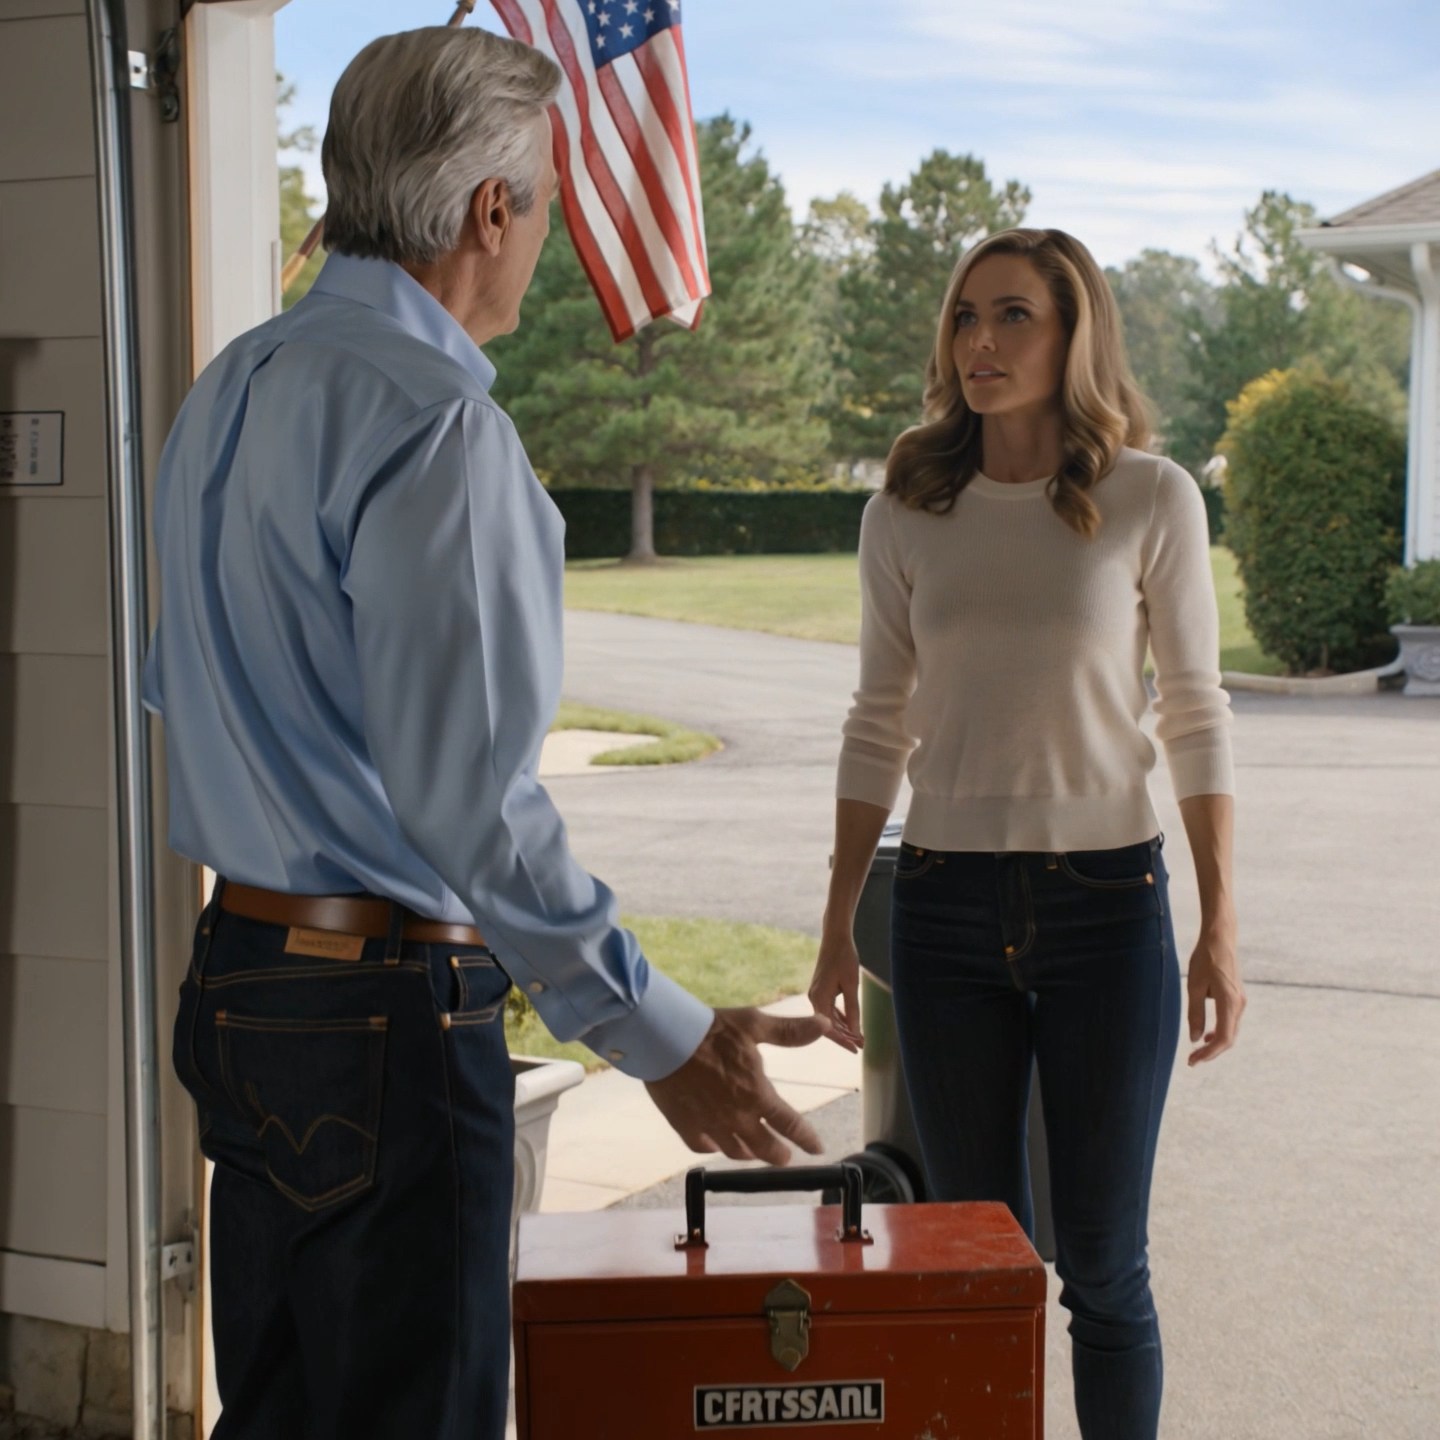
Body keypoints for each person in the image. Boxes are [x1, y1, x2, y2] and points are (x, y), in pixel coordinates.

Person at [146, 27, 826, 1440]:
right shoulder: (433, 423)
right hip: (380, 1022)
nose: (549, 243)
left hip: (240, 986)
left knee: (277, 1410)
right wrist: (662, 1030)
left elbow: (178, 692)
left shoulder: (225, 394)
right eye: (547, 206)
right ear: (488, 212)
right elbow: (474, 806)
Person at [808, 227, 1246, 1440]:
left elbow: (1199, 713)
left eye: (1013, 317)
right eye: (964, 318)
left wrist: (1220, 927)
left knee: (1104, 1266)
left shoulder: (1151, 497)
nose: (981, 343)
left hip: (1108, 904)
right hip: (941, 910)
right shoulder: (907, 502)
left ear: (1074, 334)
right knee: (974, 1262)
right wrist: (843, 917)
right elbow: (874, 721)